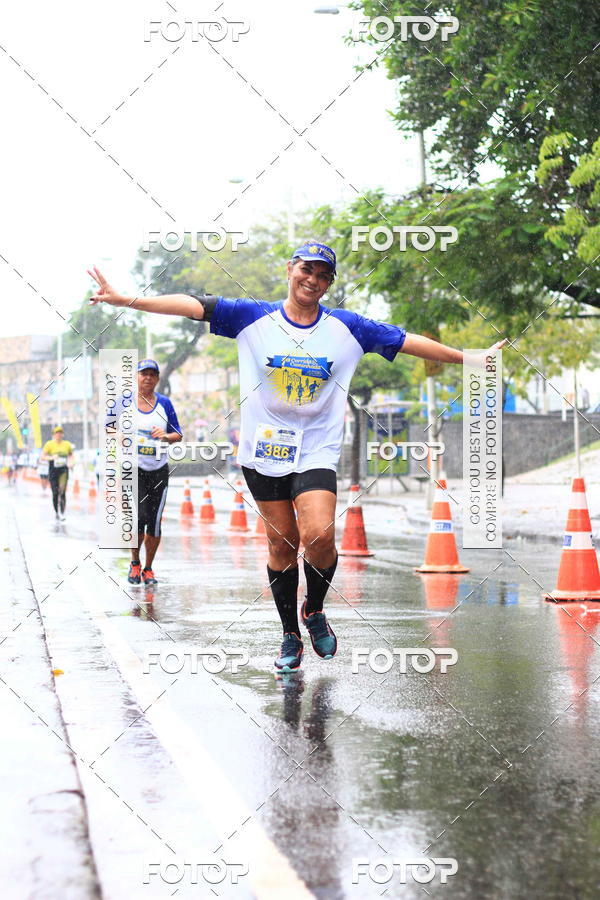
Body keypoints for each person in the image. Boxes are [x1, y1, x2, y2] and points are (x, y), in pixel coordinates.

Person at [88, 243, 505, 671]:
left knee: (320, 534)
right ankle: (289, 634)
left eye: (324, 275)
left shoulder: (347, 327)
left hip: (317, 449)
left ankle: (315, 609)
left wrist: (467, 359)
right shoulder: (252, 317)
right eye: (307, 269)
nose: (313, 280)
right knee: (282, 544)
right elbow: (193, 304)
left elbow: (405, 340)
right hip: (262, 452)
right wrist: (127, 300)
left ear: (329, 284)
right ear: (290, 269)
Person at [125, 359, 183, 586]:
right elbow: (110, 428)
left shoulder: (165, 404)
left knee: (154, 522)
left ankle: (148, 568)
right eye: (143, 374)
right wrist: (121, 437)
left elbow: (178, 433)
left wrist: (165, 436)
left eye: (152, 374)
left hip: (159, 470)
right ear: (137, 377)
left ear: (157, 379)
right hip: (134, 469)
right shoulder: (125, 404)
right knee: (138, 519)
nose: (147, 378)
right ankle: (134, 563)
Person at [41, 426, 74, 521]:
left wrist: (71, 463)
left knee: (62, 491)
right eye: (57, 433)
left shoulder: (67, 444)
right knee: (55, 492)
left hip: (63, 470)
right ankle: (57, 512)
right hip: (53, 470)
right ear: (53, 435)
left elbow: (71, 456)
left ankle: (62, 512)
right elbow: (42, 457)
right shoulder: (49, 444)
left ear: (62, 434)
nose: (59, 434)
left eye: (60, 433)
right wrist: (52, 458)